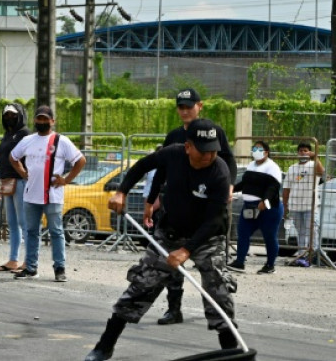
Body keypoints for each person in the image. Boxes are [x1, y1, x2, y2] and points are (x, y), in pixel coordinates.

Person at [84, 119, 238, 361]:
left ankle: (232, 351)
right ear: (188, 146)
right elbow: (141, 166)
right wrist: (121, 191)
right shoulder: (173, 154)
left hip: (206, 237)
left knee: (217, 288)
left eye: (213, 149)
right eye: (203, 149)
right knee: (142, 284)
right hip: (170, 233)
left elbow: (214, 221)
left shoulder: (220, 172)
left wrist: (187, 251)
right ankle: (104, 346)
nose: (209, 155)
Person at [149, 88, 237, 326]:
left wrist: (229, 185)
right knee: (172, 262)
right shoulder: (174, 136)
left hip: (206, 207)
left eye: (189, 106)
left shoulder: (213, 131)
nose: (185, 111)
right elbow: (161, 169)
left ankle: (219, 314)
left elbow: (228, 159)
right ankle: (173, 309)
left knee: (210, 264)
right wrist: (153, 199)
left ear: (200, 106)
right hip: (177, 210)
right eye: (181, 107)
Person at [10, 105, 86, 283]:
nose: (42, 122)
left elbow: (81, 160)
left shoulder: (61, 141)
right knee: (31, 231)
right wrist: (22, 173)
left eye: (46, 119)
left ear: (52, 121)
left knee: (56, 231)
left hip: (52, 194)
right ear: (35, 120)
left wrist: (66, 180)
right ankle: (30, 267)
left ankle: (59, 268)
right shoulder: (28, 140)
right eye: (39, 118)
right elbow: (13, 157)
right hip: (31, 194)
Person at [228, 140, 283, 274]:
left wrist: (265, 201)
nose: (256, 151)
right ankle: (239, 262)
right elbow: (245, 183)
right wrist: (231, 189)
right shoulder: (251, 165)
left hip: (268, 208)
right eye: (254, 148)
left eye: (259, 149)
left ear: (266, 152)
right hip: (249, 207)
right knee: (243, 233)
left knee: (269, 236)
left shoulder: (272, 167)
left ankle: (270, 264)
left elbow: (273, 187)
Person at [0, 103, 30, 273]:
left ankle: (29, 261)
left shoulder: (25, 134)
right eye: (6, 114)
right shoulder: (8, 134)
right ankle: (13, 260)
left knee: (23, 222)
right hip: (7, 181)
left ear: (20, 115)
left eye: (13, 114)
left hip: (20, 182)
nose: (9, 117)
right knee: (12, 224)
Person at [284, 142, 324, 264]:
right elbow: (286, 188)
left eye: (305, 150)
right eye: (300, 150)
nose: (302, 153)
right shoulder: (292, 168)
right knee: (300, 232)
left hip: (310, 206)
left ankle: (314, 255)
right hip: (295, 206)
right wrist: (285, 205)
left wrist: (315, 157)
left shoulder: (313, 165)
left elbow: (321, 172)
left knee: (312, 231)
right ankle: (302, 255)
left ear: (310, 152)